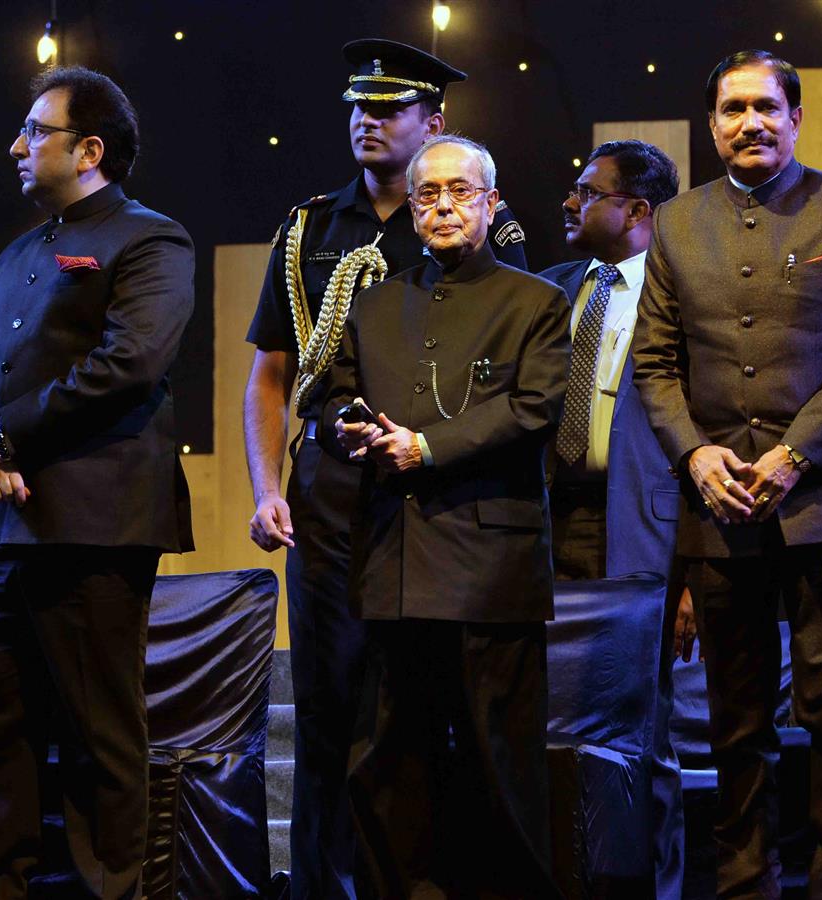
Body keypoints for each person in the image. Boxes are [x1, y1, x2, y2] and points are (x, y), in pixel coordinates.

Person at [242, 40, 528, 898]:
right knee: (327, 706)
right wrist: (264, 488)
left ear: (433, 122)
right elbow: (271, 372)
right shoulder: (309, 227)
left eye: (390, 108)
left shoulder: (473, 223)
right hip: (330, 490)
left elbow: (505, 365)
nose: (368, 120)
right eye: (359, 107)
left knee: (419, 704)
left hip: (435, 490)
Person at [632, 50, 822, 898]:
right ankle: (744, 888)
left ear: (794, 118)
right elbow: (652, 362)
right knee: (734, 725)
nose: (749, 123)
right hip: (718, 509)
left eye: (765, 108)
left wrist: (796, 452)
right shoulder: (677, 222)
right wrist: (693, 451)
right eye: (732, 109)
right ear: (712, 124)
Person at [0, 67, 194, 899]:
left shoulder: (151, 239)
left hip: (94, 521)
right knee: (1, 734)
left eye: (34, 131)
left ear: (90, 149)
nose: (16, 147)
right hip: (5, 528)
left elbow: (129, 365)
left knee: (101, 737)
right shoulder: (20, 249)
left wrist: (10, 439)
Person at [325, 135, 569, 898]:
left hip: (489, 569)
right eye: (427, 195)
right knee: (390, 763)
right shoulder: (374, 302)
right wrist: (349, 425)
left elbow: (534, 410)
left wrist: (426, 446)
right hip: (393, 565)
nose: (441, 207)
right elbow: (335, 393)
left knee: (502, 767)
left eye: (460, 192)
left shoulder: (537, 302)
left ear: (491, 204)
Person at [538, 138, 691, 898]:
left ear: (637, 210)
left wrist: (693, 572)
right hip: (547, 528)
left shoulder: (684, 293)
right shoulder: (548, 289)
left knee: (644, 727)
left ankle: (652, 888)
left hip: (645, 531)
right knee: (554, 719)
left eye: (586, 190)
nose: (570, 202)